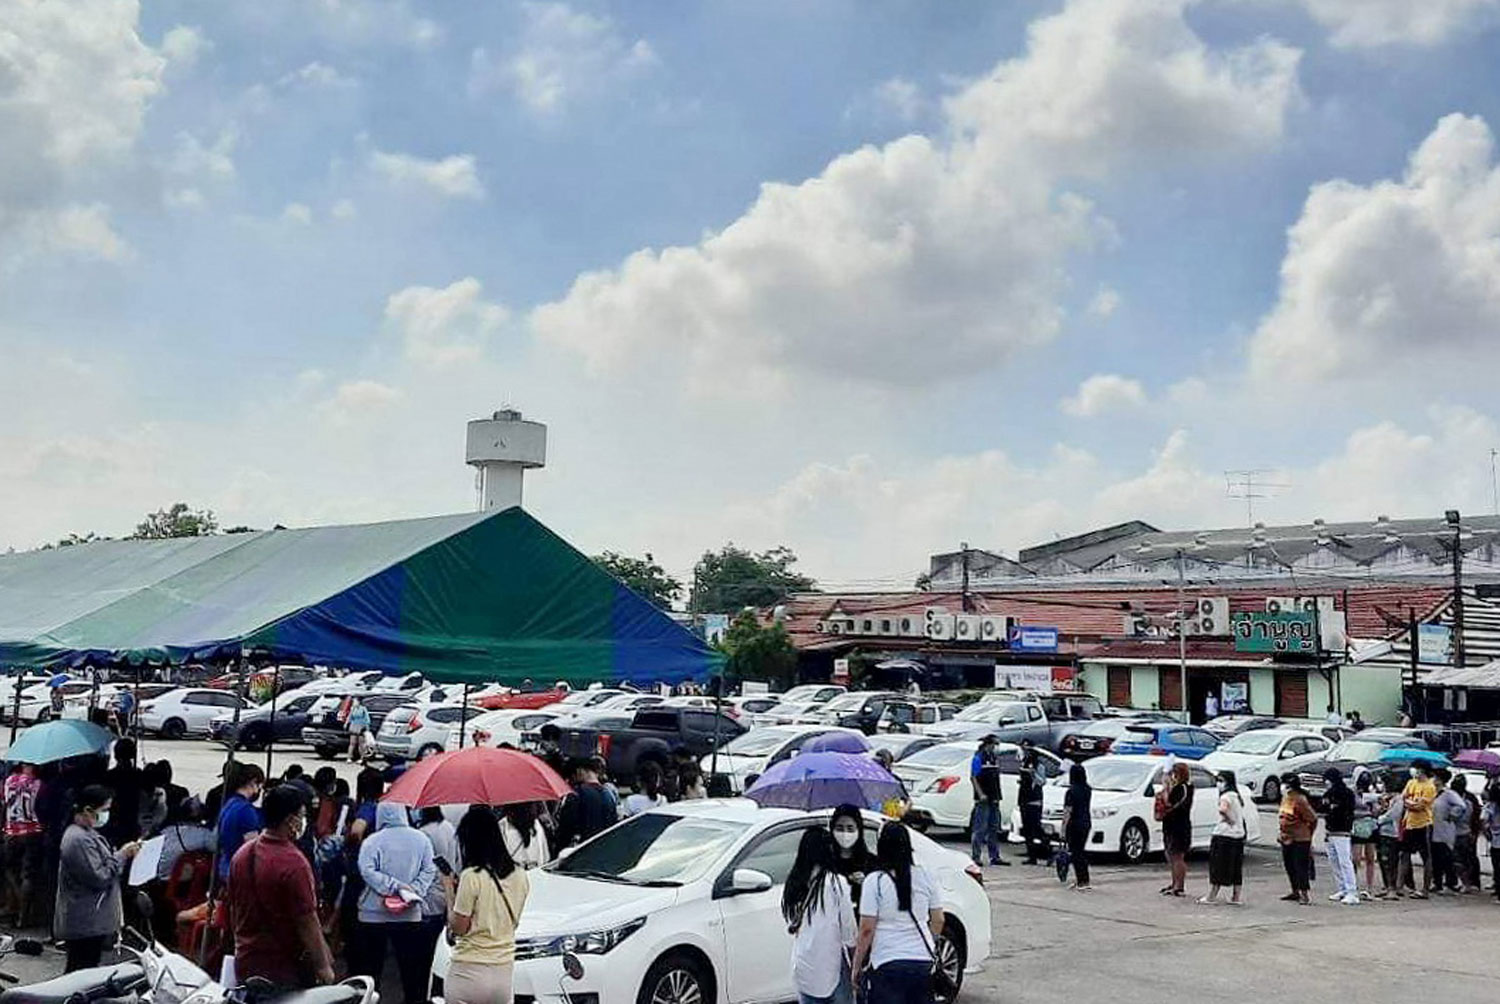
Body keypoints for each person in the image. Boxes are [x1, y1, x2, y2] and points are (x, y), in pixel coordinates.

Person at [227, 784, 334, 989]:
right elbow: (307, 922)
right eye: (302, 815)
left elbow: (234, 908)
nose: (304, 821)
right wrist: (323, 967)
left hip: (246, 962)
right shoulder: (294, 864)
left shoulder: (242, 855)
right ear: (290, 820)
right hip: (283, 969)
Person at [442, 806, 531, 1004]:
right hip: (504, 973)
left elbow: (459, 928)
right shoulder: (521, 875)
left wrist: (449, 892)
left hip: (468, 972)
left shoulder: (471, 877)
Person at [851, 822, 943, 1004]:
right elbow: (938, 919)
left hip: (887, 962)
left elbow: (866, 929)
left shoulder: (875, 881)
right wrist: (930, 941)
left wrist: (856, 966)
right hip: (922, 963)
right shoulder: (925, 876)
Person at [357, 802, 438, 1004]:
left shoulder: (372, 841)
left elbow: (366, 870)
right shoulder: (422, 839)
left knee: (371, 971)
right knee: (411, 971)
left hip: (372, 914)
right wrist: (413, 890)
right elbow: (430, 869)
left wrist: (393, 886)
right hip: (410, 913)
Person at [56, 785, 141, 971]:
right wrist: (122, 855)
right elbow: (99, 877)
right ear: (88, 810)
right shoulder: (78, 839)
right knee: (80, 970)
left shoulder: (87, 834)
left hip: (91, 918)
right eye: (105, 810)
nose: (106, 815)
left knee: (85, 966)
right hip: (85, 919)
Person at [784, 829, 856, 1004]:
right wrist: (857, 962)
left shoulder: (794, 882)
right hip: (831, 967)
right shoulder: (835, 883)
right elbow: (849, 931)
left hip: (803, 965)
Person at [417, 806, 459, 976]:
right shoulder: (448, 827)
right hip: (448, 889)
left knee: (427, 945)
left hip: (430, 893)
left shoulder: (423, 833)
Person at [3, 764, 44, 928]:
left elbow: (4, 803)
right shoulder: (38, 784)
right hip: (32, 831)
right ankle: (23, 914)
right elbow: (42, 807)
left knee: (9, 869)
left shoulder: (9, 781)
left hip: (11, 830)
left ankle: (14, 904)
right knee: (28, 874)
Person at [1199, 769, 1246, 905]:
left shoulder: (1225, 797)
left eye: (1220, 781)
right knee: (1236, 867)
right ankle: (1235, 897)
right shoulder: (1236, 796)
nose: (1218, 784)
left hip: (1224, 834)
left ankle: (1211, 896)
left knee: (1218, 866)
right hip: (1238, 835)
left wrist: (1228, 819)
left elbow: (1223, 809)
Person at [215, 762, 264, 882]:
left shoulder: (229, 804)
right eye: (259, 786)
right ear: (253, 782)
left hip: (225, 865)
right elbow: (252, 849)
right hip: (239, 873)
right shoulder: (246, 811)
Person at [555, 759, 618, 848]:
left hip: (583, 851)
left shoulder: (578, 793)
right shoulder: (609, 795)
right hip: (605, 849)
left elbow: (566, 829)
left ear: (579, 772)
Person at [1399, 760, 1437, 899]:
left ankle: (1425, 889)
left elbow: (1420, 806)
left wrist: (1411, 804)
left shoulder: (1429, 787)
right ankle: (1399, 886)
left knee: (1426, 857)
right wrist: (1411, 803)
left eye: (1416, 769)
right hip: (1409, 823)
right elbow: (1404, 799)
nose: (1414, 771)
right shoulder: (1411, 783)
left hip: (1424, 824)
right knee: (1404, 855)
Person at [1321, 768, 1359, 905]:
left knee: (1345, 862)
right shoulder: (1328, 794)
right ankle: (1342, 888)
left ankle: (1352, 891)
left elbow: (1346, 810)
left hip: (1342, 831)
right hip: (1330, 831)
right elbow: (1323, 808)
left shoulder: (1346, 794)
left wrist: (1333, 808)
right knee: (1334, 861)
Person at [969, 736, 1008, 868]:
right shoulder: (978, 757)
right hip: (983, 798)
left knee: (994, 828)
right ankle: (976, 856)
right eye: (995, 744)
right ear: (988, 744)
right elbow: (973, 777)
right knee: (980, 828)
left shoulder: (993, 758)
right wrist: (980, 794)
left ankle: (994, 856)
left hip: (994, 797)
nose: (996, 747)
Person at [1278, 773, 1317, 905]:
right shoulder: (1286, 798)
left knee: (1300, 867)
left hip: (1300, 838)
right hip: (1286, 837)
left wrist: (1309, 835)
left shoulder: (1300, 799)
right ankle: (1295, 890)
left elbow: (1312, 819)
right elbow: (1284, 816)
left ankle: (1304, 894)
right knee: (1289, 865)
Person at [157, 798, 216, 882]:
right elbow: (218, 847)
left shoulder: (166, 831)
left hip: (158, 879)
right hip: (179, 883)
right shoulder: (202, 835)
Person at [1430, 767, 1468, 894]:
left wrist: (1452, 815)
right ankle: (1437, 882)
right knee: (1435, 859)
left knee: (1446, 858)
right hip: (1433, 829)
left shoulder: (1449, 794)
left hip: (1445, 830)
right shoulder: (1432, 793)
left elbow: (1461, 805)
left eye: (1435, 778)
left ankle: (1451, 884)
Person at [829, 804, 876, 903]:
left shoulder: (871, 862)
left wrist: (867, 882)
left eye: (850, 828)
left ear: (859, 830)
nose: (845, 834)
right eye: (840, 828)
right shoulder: (826, 860)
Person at [1158, 762, 1192, 897]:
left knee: (1177, 856)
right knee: (1170, 855)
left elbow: (1169, 803)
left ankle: (1179, 886)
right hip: (1170, 825)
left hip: (1179, 826)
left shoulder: (1182, 789)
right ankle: (1174, 882)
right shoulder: (1179, 788)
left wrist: (1166, 787)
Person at [102, 738, 143, 846]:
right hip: (132, 820)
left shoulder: (109, 776)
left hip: (114, 821)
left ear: (115, 755)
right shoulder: (138, 775)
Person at [1018, 741, 1051, 865]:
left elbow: (1042, 782)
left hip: (1034, 800)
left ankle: (1047, 852)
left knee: (1036, 828)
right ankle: (1032, 856)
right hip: (1023, 798)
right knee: (1027, 830)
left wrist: (1033, 775)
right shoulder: (1024, 762)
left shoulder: (1039, 765)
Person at [1061, 762, 1092, 891]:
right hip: (1086, 822)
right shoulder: (1087, 789)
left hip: (1074, 824)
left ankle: (1082, 881)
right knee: (1080, 851)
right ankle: (1083, 879)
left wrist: (1063, 828)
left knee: (1076, 853)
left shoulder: (1071, 791)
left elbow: (1068, 811)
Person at [1351, 771, 1380, 899]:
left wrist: (1376, 805)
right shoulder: (1352, 793)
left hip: (1371, 826)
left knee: (1370, 857)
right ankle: (1353, 884)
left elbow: (1376, 811)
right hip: (1357, 826)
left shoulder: (1372, 792)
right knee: (1356, 858)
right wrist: (1365, 814)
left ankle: (1369, 887)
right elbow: (1350, 811)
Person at [1454, 774, 1483, 892]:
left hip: (1467, 832)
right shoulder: (1451, 796)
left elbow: (1476, 817)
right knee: (1456, 859)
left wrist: (1475, 832)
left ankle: (1473, 882)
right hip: (1454, 832)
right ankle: (1460, 881)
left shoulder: (1470, 798)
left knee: (1469, 858)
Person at [500, 803, 550, 869]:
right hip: (536, 873)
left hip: (514, 875)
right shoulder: (537, 825)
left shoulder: (503, 826)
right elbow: (545, 857)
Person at [1481, 781, 1500, 901]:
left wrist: (1487, 834)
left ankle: (1498, 890)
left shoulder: (1490, 806)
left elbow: (1484, 821)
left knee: (1497, 867)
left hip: (1496, 841)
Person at [347, 697, 372, 764]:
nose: (354, 703)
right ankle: (349, 757)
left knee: (361, 744)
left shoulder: (363, 709)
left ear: (359, 702)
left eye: (355, 701)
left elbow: (367, 719)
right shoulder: (353, 709)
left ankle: (362, 758)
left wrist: (367, 727)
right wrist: (347, 723)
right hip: (354, 726)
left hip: (361, 726)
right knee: (352, 743)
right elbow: (350, 717)